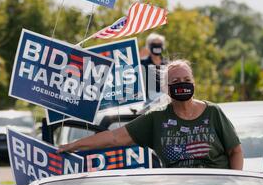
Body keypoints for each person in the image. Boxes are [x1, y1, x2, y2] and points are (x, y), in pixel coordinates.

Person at [58, 59, 244, 170]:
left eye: (187, 80)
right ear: (166, 87)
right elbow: (114, 137)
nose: (182, 84)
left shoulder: (212, 112)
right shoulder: (157, 118)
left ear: (194, 83)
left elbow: (235, 151)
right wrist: (75, 145)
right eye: (176, 81)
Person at [141, 33, 168, 101]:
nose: (157, 46)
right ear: (149, 46)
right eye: (154, 45)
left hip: (166, 100)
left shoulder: (168, 64)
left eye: (159, 44)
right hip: (149, 101)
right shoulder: (142, 64)